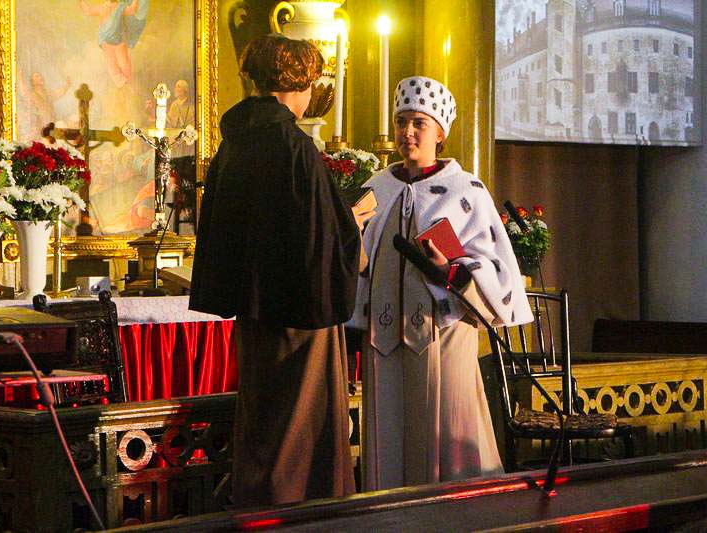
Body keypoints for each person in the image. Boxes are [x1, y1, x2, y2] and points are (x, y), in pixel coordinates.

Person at [190, 34, 372, 507]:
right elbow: (318, 241)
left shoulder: (234, 144)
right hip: (302, 318)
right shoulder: (294, 147)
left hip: (255, 315)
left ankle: (257, 510)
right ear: (301, 83)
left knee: (262, 424)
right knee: (301, 429)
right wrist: (352, 225)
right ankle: (300, 516)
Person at [350, 76, 533, 490]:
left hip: (445, 337)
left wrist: (451, 270)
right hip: (384, 346)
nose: (407, 132)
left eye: (419, 123)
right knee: (388, 447)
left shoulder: (466, 191)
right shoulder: (376, 189)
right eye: (401, 122)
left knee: (448, 444)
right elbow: (360, 264)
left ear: (440, 133)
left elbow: (497, 271)